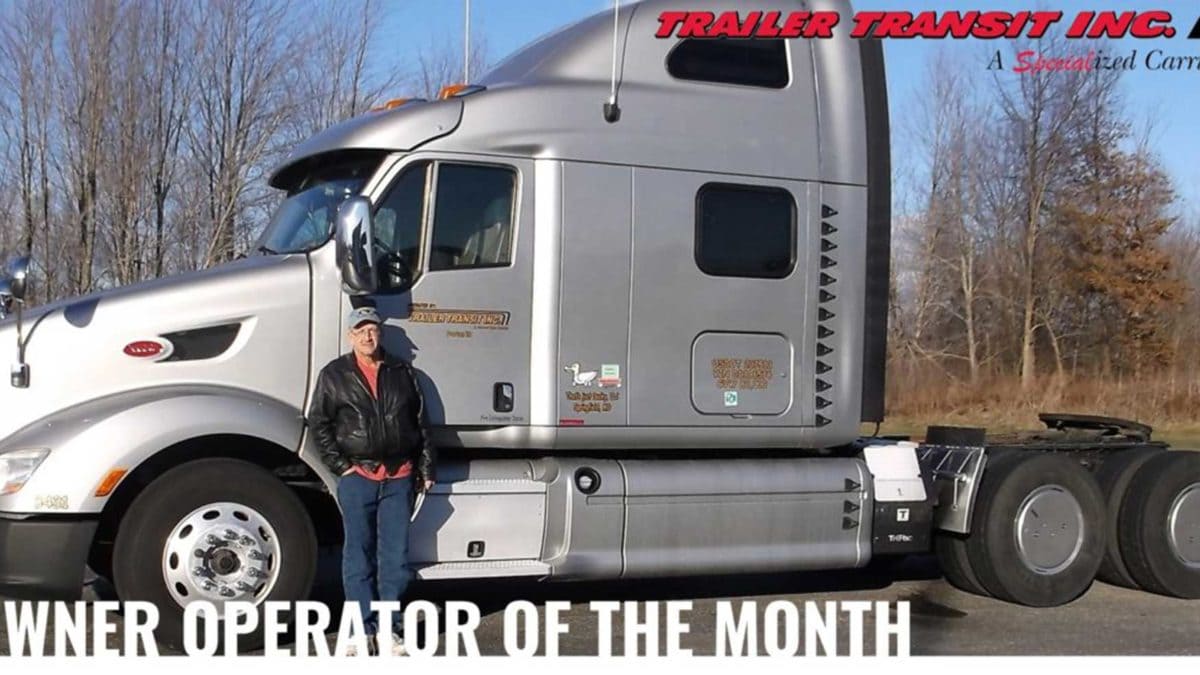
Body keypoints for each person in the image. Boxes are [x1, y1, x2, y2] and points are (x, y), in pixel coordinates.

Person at [307, 306, 436, 655]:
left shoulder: (402, 372)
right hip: (358, 477)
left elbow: (421, 424)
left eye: (373, 330)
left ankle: (388, 631)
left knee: (394, 559)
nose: (367, 336)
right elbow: (318, 424)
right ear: (351, 336)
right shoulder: (335, 375)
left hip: (399, 478)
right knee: (358, 556)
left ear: (380, 334)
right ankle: (359, 630)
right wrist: (342, 467)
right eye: (360, 330)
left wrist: (425, 469)